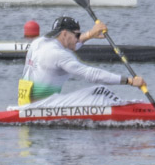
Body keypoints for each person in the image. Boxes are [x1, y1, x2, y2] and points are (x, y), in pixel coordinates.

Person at [18, 16, 146, 104]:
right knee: (100, 91)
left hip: (26, 104)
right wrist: (129, 81)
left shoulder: (39, 43)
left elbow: (71, 45)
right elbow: (92, 75)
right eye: (77, 35)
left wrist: (90, 34)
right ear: (64, 34)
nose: (78, 38)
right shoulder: (58, 55)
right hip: (42, 107)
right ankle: (130, 109)